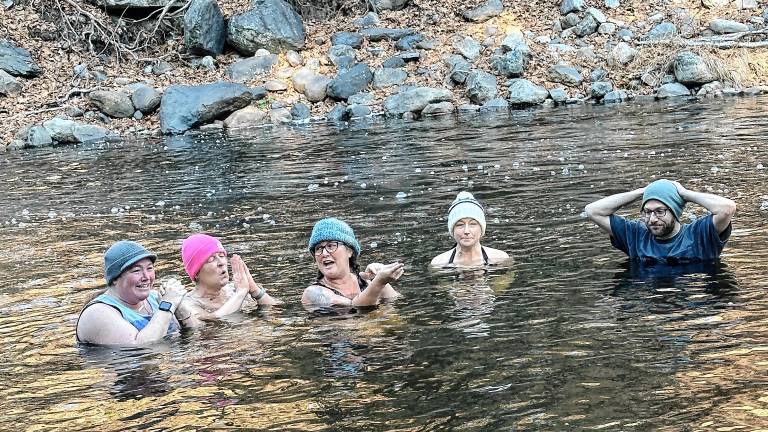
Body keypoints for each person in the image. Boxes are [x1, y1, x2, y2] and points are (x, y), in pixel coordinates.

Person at [584, 179, 736, 263]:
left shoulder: (700, 234)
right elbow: (592, 210)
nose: (652, 219)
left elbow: (727, 208)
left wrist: (685, 194)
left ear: (674, 211)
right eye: (647, 212)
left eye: (660, 211)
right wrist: (642, 192)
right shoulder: (635, 235)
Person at [76, 240, 192, 345]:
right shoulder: (97, 313)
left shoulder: (156, 298)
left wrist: (179, 305)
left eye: (149, 268)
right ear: (115, 278)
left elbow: (196, 333)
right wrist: (167, 306)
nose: (146, 277)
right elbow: (141, 349)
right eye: (136, 271)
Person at [179, 233, 280, 327]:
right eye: (211, 259)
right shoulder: (187, 304)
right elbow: (215, 319)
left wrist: (254, 289)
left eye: (222, 256)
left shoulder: (234, 289)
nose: (221, 262)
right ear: (196, 273)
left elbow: (276, 311)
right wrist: (241, 293)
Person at [302, 217, 403, 309]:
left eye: (331, 246)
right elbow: (356, 307)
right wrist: (379, 282)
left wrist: (381, 275)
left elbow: (393, 301)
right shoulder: (313, 293)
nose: (324, 253)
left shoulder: (365, 282)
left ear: (349, 251)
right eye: (318, 248)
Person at [430, 191, 510, 267]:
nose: (466, 231)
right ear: (452, 230)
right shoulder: (439, 264)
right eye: (460, 225)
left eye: (473, 224)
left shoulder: (501, 259)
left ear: (481, 228)